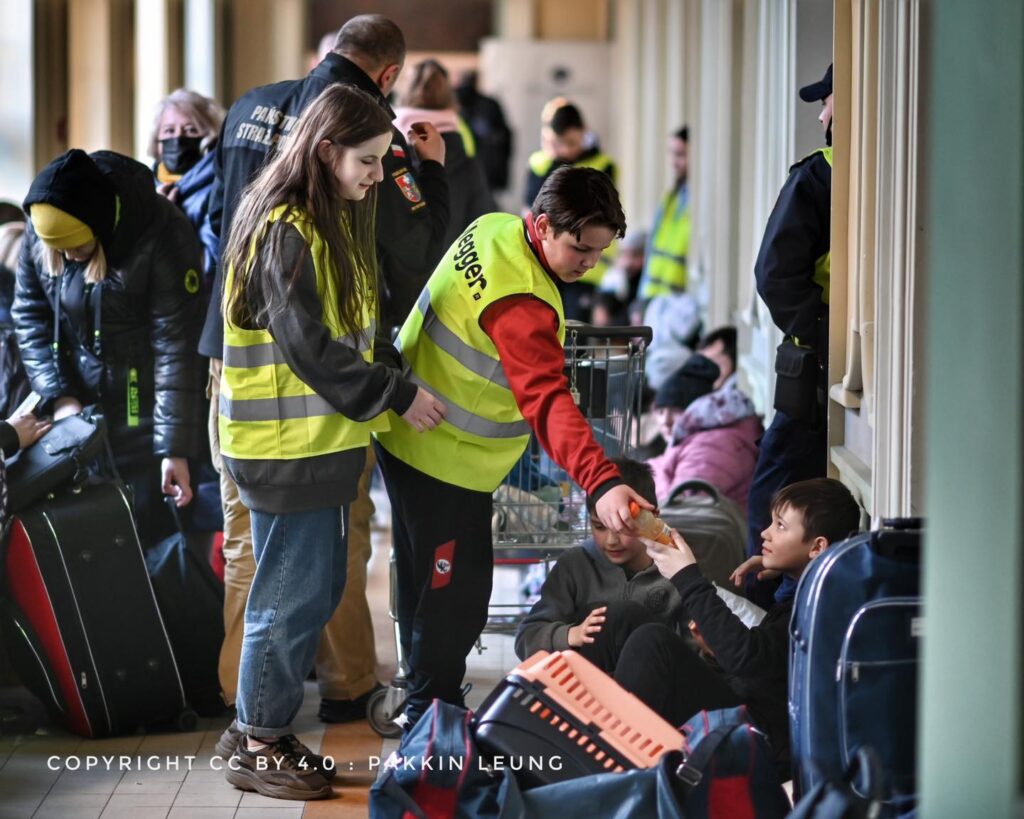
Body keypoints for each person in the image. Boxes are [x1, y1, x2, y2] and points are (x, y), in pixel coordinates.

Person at [205, 14, 450, 732]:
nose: (378, 178)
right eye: (369, 165)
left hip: (292, 420)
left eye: (384, 165)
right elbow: (315, 339)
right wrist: (396, 391)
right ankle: (271, 727)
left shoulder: (253, 112)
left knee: (276, 575)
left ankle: (248, 710)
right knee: (294, 591)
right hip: (290, 437)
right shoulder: (293, 226)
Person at [374, 166, 655, 728]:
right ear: (545, 225)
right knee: (457, 597)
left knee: (424, 582)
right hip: (444, 456)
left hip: (407, 429)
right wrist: (600, 480)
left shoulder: (494, 228)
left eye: (599, 253)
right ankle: (430, 717)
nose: (588, 264)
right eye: (580, 248)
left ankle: (424, 699)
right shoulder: (523, 303)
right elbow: (548, 400)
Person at [14, 149, 205, 544]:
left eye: (78, 249)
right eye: (58, 251)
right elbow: (29, 315)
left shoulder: (162, 234)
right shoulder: (40, 228)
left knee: (153, 536)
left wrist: (174, 449)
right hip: (77, 410)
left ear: (101, 230)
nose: (67, 258)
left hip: (146, 409)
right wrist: (60, 395)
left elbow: (175, 348)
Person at [615, 477, 860, 780]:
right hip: (751, 704)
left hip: (763, 738)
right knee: (625, 618)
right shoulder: (820, 587)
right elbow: (769, 661)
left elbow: (750, 659)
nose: (765, 532)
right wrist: (789, 568)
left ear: (817, 546)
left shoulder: (819, 606)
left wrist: (687, 577)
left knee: (651, 643)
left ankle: (616, 769)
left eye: (780, 526)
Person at [745, 63, 834, 608]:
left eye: (827, 101)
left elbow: (774, 276)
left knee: (772, 508)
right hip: (835, 374)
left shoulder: (818, 177)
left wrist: (824, 338)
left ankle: (756, 627)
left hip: (814, 374)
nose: (822, 113)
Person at [515, 458, 684, 670]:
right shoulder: (575, 566)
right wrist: (570, 635)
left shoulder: (675, 569)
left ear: (651, 519)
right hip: (584, 690)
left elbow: (693, 651)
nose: (611, 540)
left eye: (622, 527)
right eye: (599, 526)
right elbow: (526, 639)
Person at [524, 100, 617, 320]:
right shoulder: (539, 163)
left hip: (587, 270)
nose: (566, 149)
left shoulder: (603, 164)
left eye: (571, 142)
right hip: (545, 263)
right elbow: (532, 208)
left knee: (576, 331)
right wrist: (553, 159)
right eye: (559, 142)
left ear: (585, 132)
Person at [394, 58, 497, 248]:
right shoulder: (464, 148)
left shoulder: (387, 149)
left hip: (395, 272)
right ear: (449, 98)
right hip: (449, 269)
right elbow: (483, 222)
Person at [648, 352, 763, 512]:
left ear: (696, 411)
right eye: (660, 412)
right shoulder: (704, 438)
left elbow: (682, 510)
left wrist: (651, 476)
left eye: (675, 410)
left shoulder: (711, 447)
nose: (665, 422)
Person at [149, 88, 226, 293]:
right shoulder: (143, 186)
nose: (178, 138)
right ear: (157, 144)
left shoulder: (220, 188)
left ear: (210, 140)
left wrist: (171, 220)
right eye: (168, 131)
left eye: (191, 130)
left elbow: (212, 269)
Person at [639, 125, 691, 300]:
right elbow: (652, 248)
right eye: (672, 153)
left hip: (679, 302)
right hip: (655, 296)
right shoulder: (671, 198)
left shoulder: (695, 201)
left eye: (681, 154)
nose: (673, 162)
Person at [454, 69, 513, 193]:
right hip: (484, 170)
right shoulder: (489, 104)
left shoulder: (450, 105)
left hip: (462, 169)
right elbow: (504, 138)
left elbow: (502, 136)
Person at [592, 230, 646, 327]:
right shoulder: (616, 276)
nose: (629, 262)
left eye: (635, 255)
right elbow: (601, 316)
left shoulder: (646, 278)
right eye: (625, 254)